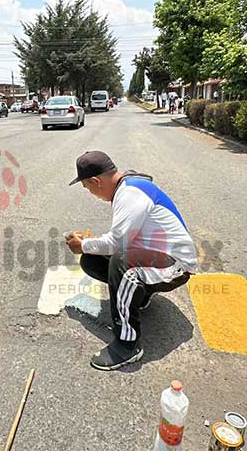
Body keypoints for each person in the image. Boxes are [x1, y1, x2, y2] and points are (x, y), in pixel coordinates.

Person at [66, 151, 198, 370]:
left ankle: (127, 345)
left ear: (95, 181)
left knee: (121, 262)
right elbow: (122, 238)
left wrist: (81, 246)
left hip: (176, 265)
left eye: (88, 188)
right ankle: (141, 294)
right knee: (92, 260)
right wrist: (88, 247)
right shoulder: (127, 187)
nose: (91, 193)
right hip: (157, 256)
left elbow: (117, 244)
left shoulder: (130, 194)